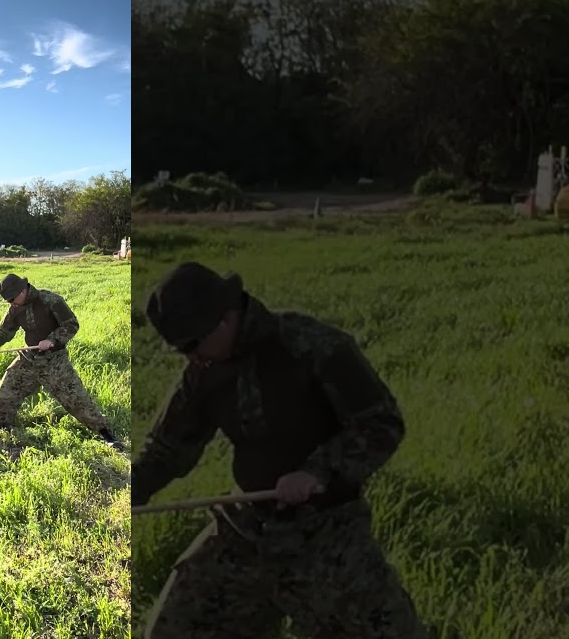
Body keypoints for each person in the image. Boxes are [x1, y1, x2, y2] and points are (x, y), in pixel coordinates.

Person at [134, 261, 427, 638]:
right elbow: (168, 447)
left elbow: (382, 424)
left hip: (327, 532)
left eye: (192, 344)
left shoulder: (313, 345)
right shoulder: (203, 371)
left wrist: (317, 471)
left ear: (225, 318)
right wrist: (131, 490)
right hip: (246, 526)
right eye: (181, 349)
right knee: (175, 629)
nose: (190, 357)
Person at [0, 273, 122, 449]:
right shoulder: (15, 308)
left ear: (22, 291)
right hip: (29, 358)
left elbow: (72, 324)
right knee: (7, 389)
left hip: (54, 361)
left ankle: (107, 435)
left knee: (77, 400)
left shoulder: (50, 300)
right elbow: (4, 333)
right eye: (7, 301)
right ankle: (5, 428)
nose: (10, 303)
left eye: (12, 299)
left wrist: (52, 339)